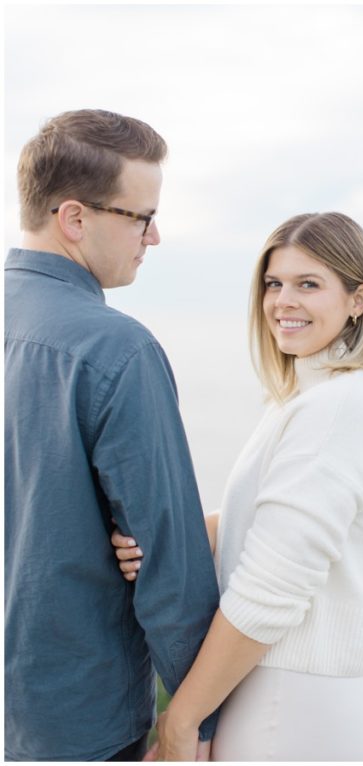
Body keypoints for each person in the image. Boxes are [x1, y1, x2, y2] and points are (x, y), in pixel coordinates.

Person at [113, 212, 363, 760]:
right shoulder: (321, 395)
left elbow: (269, 591)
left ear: (358, 299)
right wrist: (165, 544)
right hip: (318, 697)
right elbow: (269, 524)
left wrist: (183, 719)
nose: (282, 301)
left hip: (298, 704)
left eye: (308, 284)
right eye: (274, 284)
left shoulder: (338, 407)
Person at [4, 109, 221, 761]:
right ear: (74, 218)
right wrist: (197, 730)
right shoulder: (116, 350)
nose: (152, 237)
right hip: (79, 723)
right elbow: (169, 563)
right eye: (141, 216)